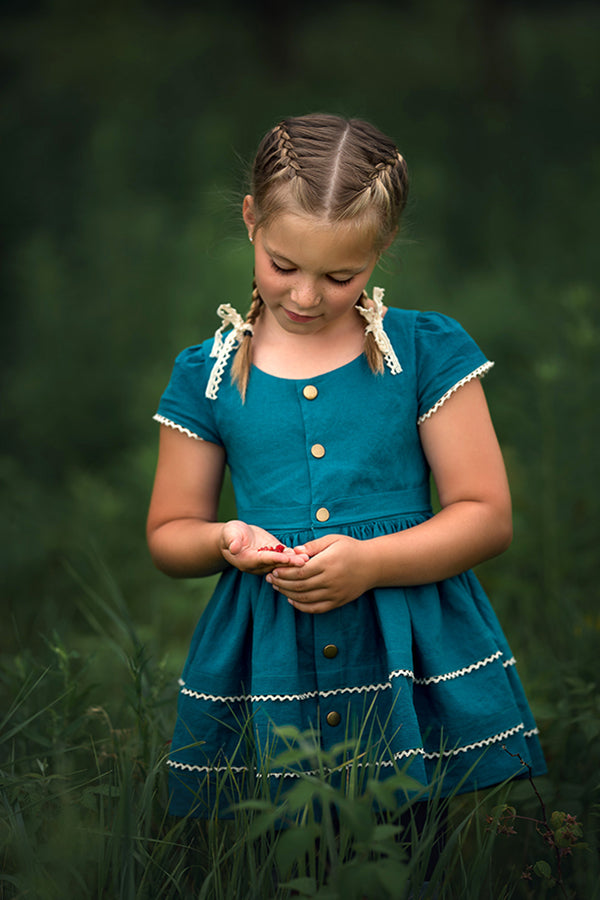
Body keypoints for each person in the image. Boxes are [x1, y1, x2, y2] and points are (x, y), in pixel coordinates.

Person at [147, 114, 546, 824]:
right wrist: (222, 539)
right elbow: (170, 531)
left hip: (405, 643)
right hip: (271, 653)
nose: (305, 297)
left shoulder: (423, 353)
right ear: (250, 221)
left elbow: (486, 515)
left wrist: (370, 564)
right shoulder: (206, 376)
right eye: (284, 266)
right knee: (279, 840)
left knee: (415, 837)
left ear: (382, 247)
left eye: (339, 276)